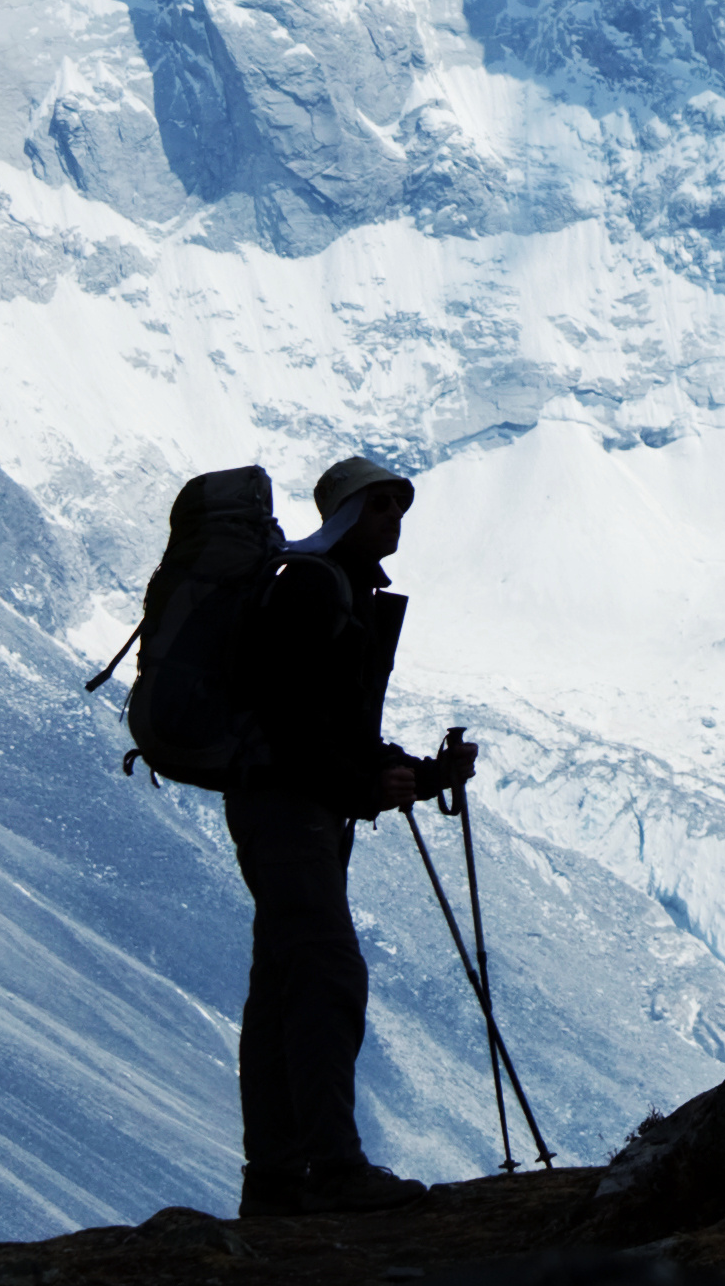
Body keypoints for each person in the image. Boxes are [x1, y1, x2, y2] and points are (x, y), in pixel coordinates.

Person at [220, 451, 479, 1217]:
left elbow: (335, 731)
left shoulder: (338, 588)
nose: (393, 520)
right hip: (289, 810)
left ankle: (274, 1181)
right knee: (328, 975)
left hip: (289, 810)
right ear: (345, 514)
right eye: (379, 508)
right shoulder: (315, 587)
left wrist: (421, 775)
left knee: (282, 988)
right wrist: (371, 783)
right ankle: (332, 1170)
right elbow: (297, 724)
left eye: (396, 507)